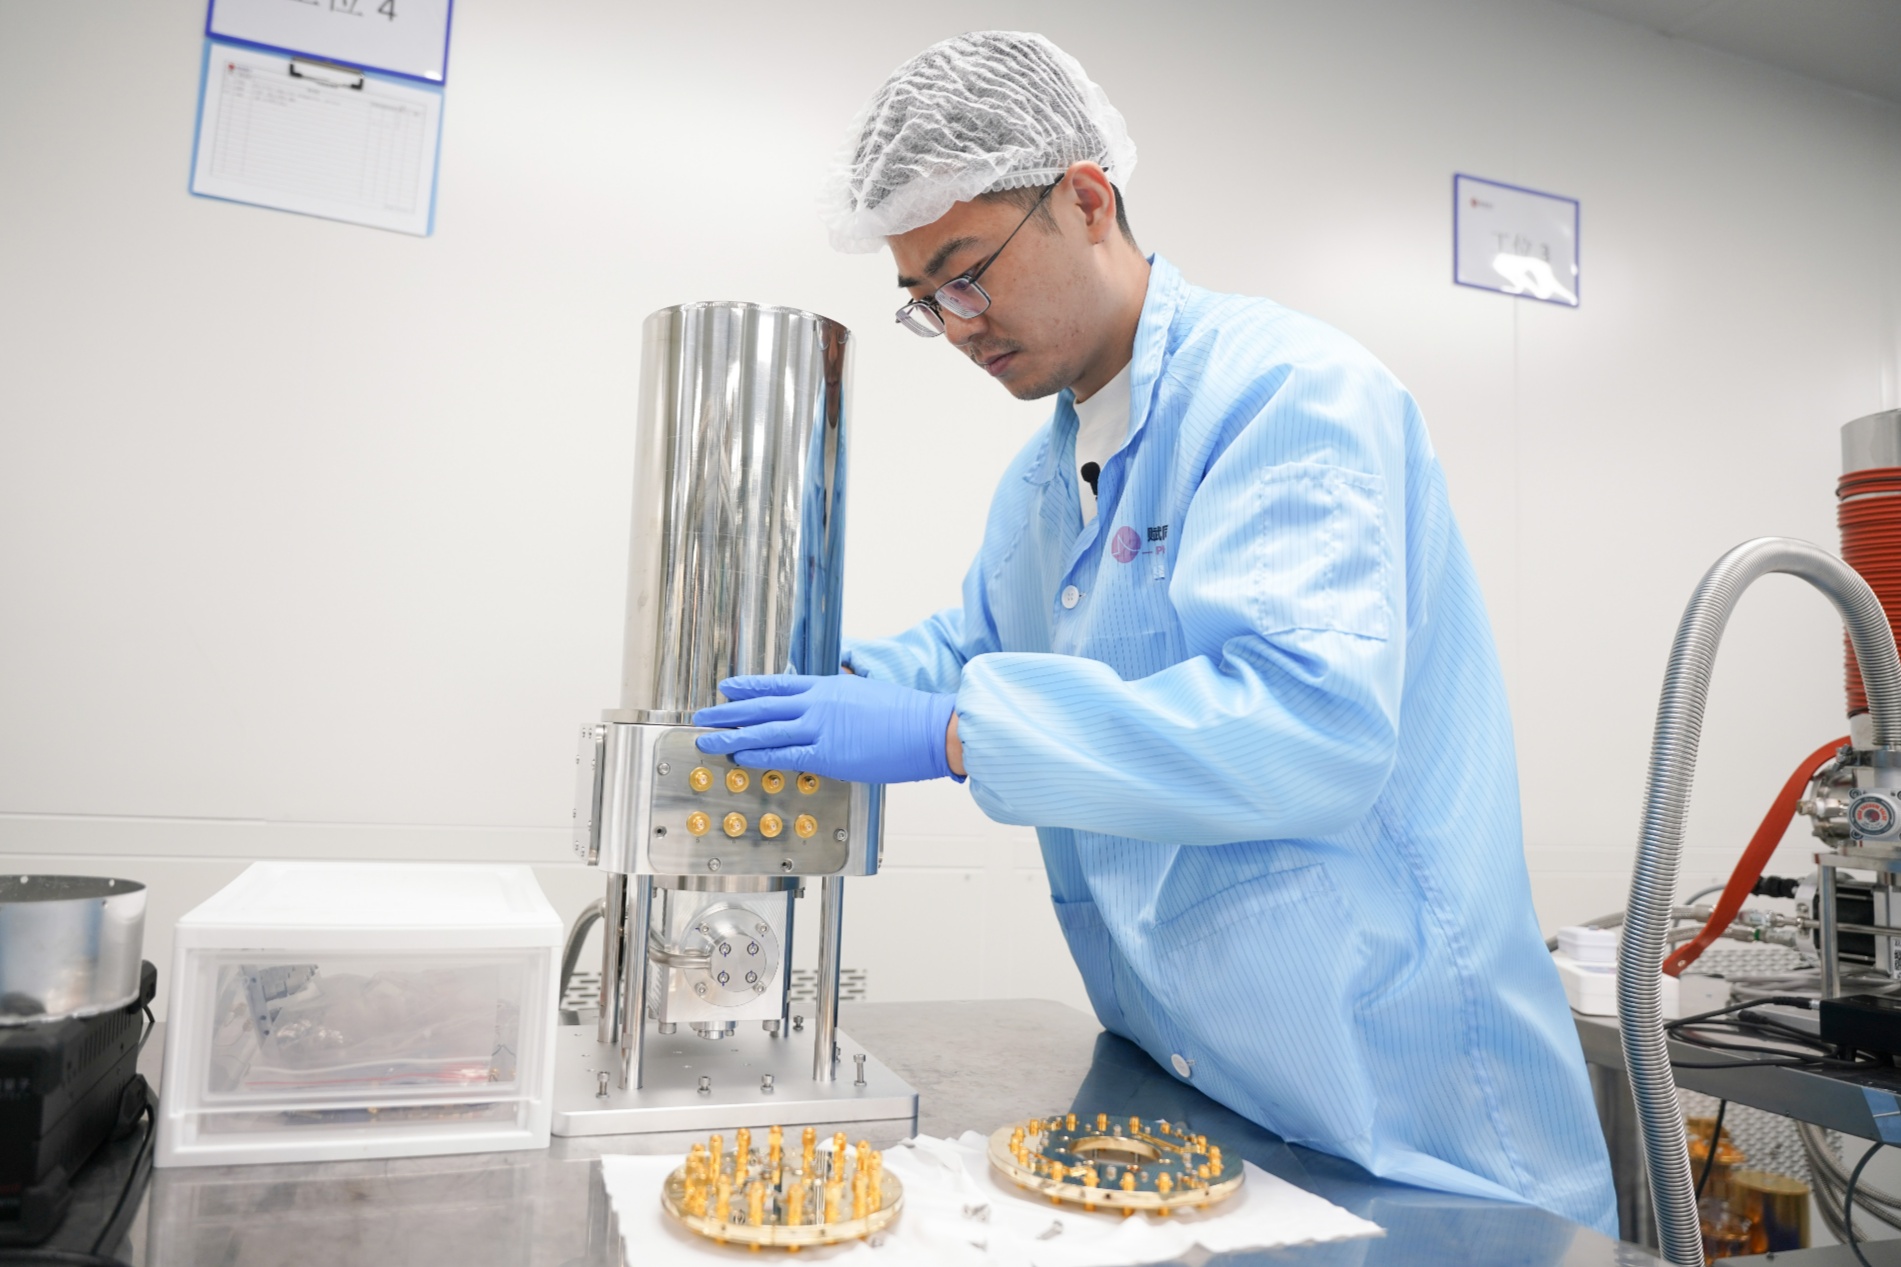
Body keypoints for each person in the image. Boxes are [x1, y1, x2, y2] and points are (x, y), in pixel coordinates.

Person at [694, 30, 1617, 1234]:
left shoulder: (1285, 394)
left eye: (966, 273)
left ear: (1085, 201)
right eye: (925, 300)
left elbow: (1311, 725)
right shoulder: (1043, 480)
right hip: (1208, 1105)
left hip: (1409, 1125)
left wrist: (949, 732)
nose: (957, 324)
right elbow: (980, 645)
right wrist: (846, 678)